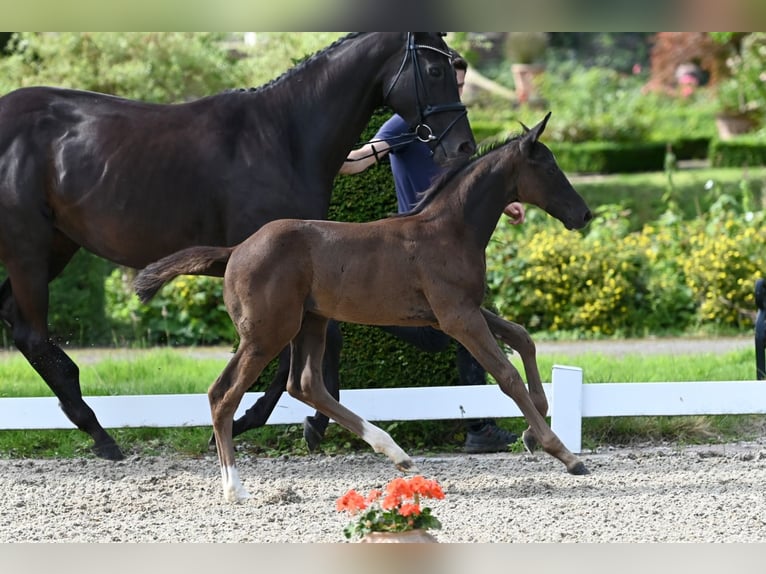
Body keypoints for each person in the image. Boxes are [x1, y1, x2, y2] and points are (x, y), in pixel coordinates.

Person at [339, 53, 526, 453]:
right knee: (452, 333)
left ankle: (480, 427)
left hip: (459, 248)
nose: (456, 95)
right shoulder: (407, 125)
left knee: (459, 334)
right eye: (451, 87)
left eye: (460, 88)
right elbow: (359, 161)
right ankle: (345, 311)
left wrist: (505, 202)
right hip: (418, 249)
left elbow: (469, 182)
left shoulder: (453, 125)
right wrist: (323, 154)